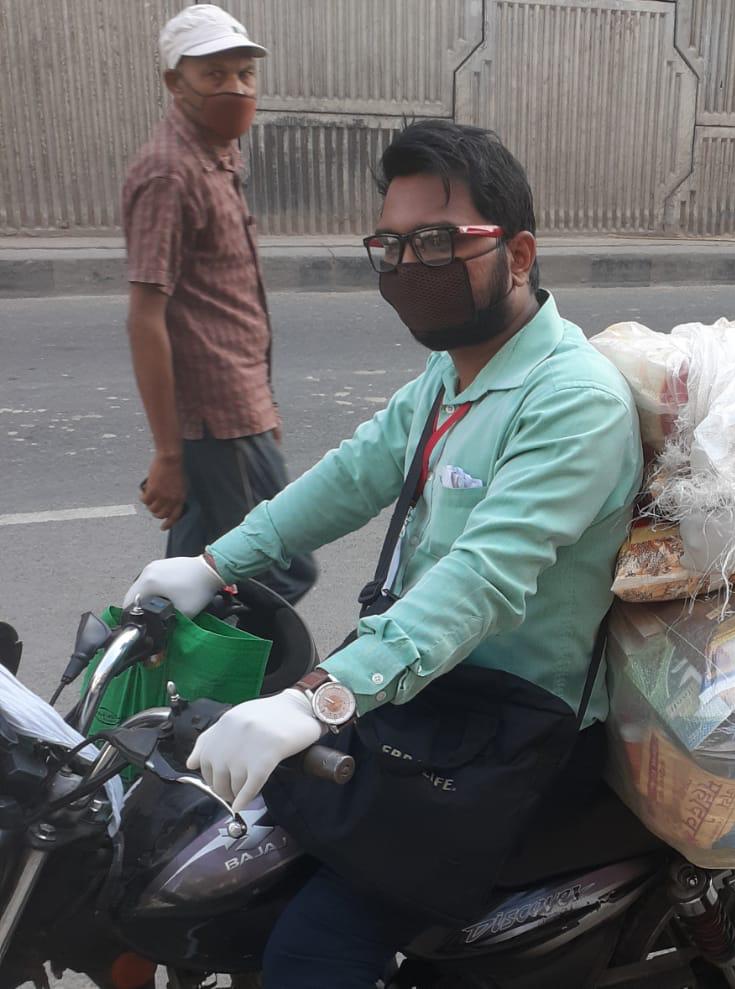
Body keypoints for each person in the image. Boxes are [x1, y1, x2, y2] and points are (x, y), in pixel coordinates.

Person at [123, 119, 642, 987]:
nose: (409, 266)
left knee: (311, 944)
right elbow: (350, 475)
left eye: (438, 240)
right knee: (214, 872)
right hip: (421, 694)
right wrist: (214, 565)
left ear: (517, 254)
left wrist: (319, 698)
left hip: (512, 727)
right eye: (391, 245)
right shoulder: (452, 374)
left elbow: (481, 579)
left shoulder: (573, 400)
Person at [122, 4, 315, 603]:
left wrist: (265, 403)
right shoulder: (169, 173)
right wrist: (170, 454)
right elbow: (145, 318)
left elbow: (229, 303)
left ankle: (155, 675)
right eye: (214, 74)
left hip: (241, 404)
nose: (234, 87)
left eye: (244, 74)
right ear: (174, 82)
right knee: (271, 572)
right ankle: (220, 686)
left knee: (197, 570)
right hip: (215, 417)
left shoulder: (220, 154)